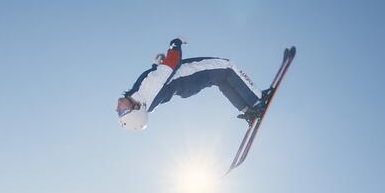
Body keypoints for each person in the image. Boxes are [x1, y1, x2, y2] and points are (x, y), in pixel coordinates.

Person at [116, 38, 270, 130]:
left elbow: (159, 76)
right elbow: (172, 64)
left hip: (187, 84)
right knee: (228, 67)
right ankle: (258, 101)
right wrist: (175, 43)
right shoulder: (147, 93)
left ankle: (247, 109)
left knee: (222, 80)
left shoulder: (139, 96)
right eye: (122, 112)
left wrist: (158, 64)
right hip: (190, 74)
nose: (117, 108)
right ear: (135, 111)